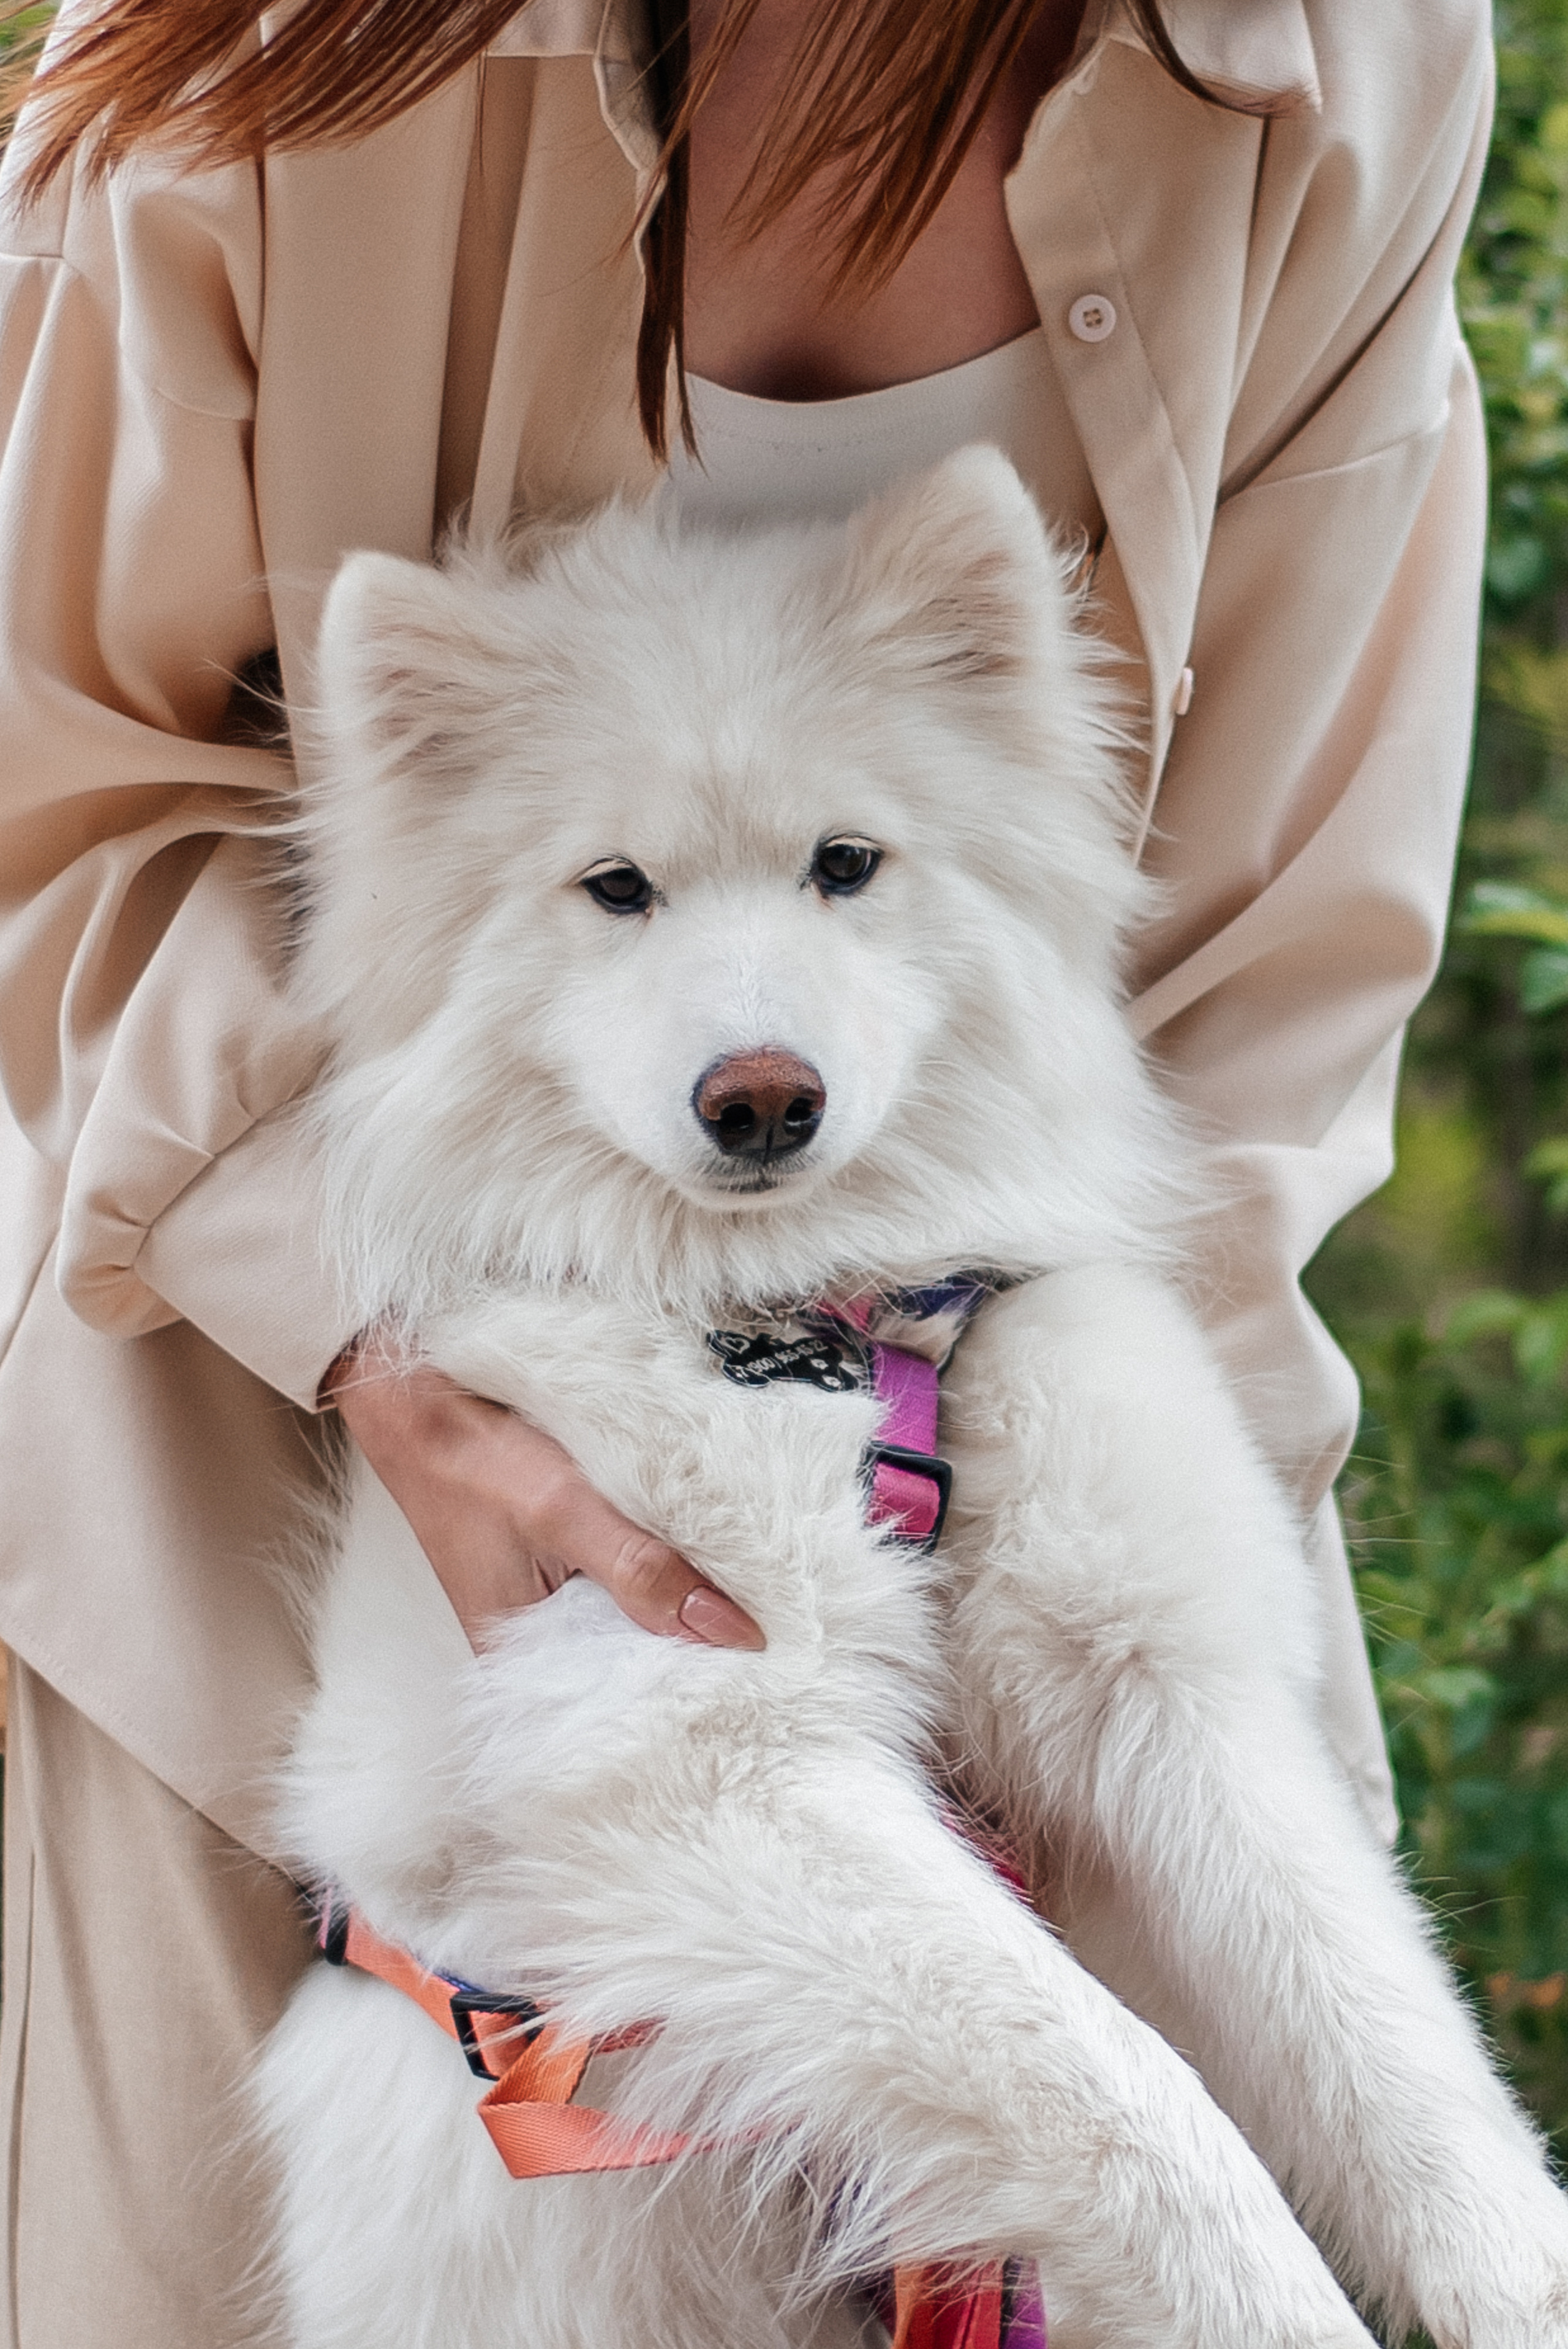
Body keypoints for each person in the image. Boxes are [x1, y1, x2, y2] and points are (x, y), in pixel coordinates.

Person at [0, 0, 1491, 2339]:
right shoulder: (262, 52)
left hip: (1042, 1356)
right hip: (281, 1470)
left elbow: (1277, 954)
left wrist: (1103, 1525)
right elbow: (50, 792)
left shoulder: (1344, 56)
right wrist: (399, 1346)